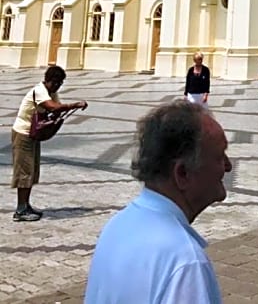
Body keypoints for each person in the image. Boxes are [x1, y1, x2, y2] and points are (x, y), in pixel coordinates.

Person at [85, 101, 230, 302]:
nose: (229, 166)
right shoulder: (185, 262)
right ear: (183, 174)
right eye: (220, 157)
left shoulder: (118, 225)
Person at [11, 65, 88, 222]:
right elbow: (52, 107)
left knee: (31, 171)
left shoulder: (52, 93)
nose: (58, 86)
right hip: (23, 134)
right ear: (49, 81)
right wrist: (75, 105)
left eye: (60, 83)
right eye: (56, 83)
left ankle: (26, 204)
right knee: (24, 172)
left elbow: (57, 110)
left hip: (33, 135)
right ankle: (20, 210)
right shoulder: (39, 91)